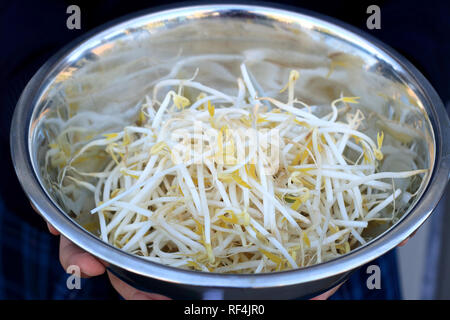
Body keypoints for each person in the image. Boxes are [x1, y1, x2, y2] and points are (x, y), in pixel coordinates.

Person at [2, 0, 446, 300]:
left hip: (327, 262)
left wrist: (405, 67)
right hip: (88, 242)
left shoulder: (339, 207)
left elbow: (424, 14)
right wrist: (18, 94)